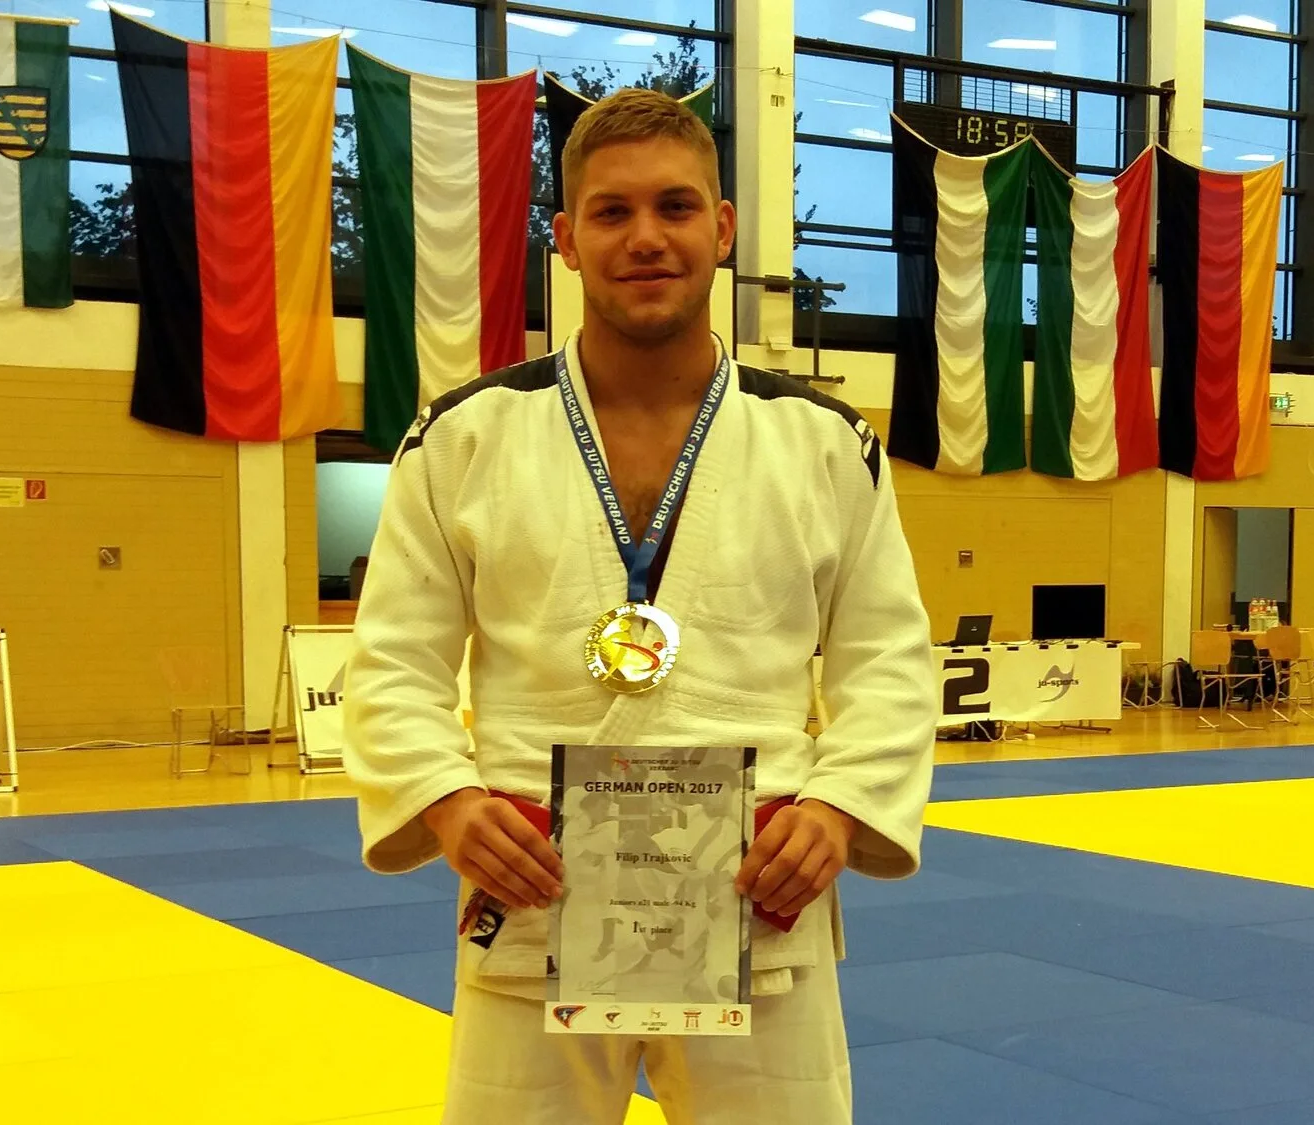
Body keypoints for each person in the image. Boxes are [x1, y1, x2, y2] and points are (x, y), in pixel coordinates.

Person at [342, 86, 936, 1125]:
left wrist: (840, 808)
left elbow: (888, 658)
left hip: (760, 885)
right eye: (612, 212)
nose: (647, 237)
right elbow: (393, 660)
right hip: (534, 879)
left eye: (676, 206)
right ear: (566, 239)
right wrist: (448, 801)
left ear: (724, 227)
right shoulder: (463, 437)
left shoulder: (823, 444)